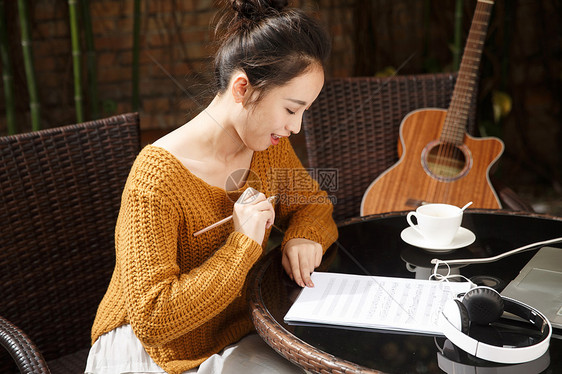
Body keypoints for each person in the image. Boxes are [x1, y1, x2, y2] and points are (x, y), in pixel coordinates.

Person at [85, 0, 338, 372]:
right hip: (151, 350)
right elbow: (154, 320)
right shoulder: (155, 180)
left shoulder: (269, 148)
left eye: (304, 112)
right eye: (290, 109)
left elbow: (313, 205)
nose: (296, 127)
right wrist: (242, 245)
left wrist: (305, 236)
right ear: (242, 88)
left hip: (235, 327)